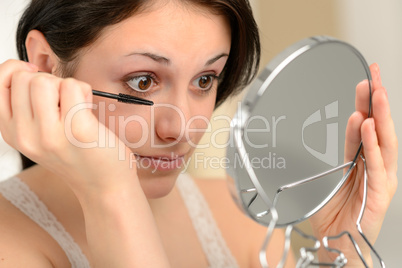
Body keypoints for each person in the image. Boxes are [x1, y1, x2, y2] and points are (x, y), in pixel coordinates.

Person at [0, 0, 397, 267]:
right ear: (46, 64)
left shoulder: (241, 217)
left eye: (205, 79)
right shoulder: (10, 242)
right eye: (142, 81)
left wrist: (343, 245)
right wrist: (112, 192)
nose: (182, 127)